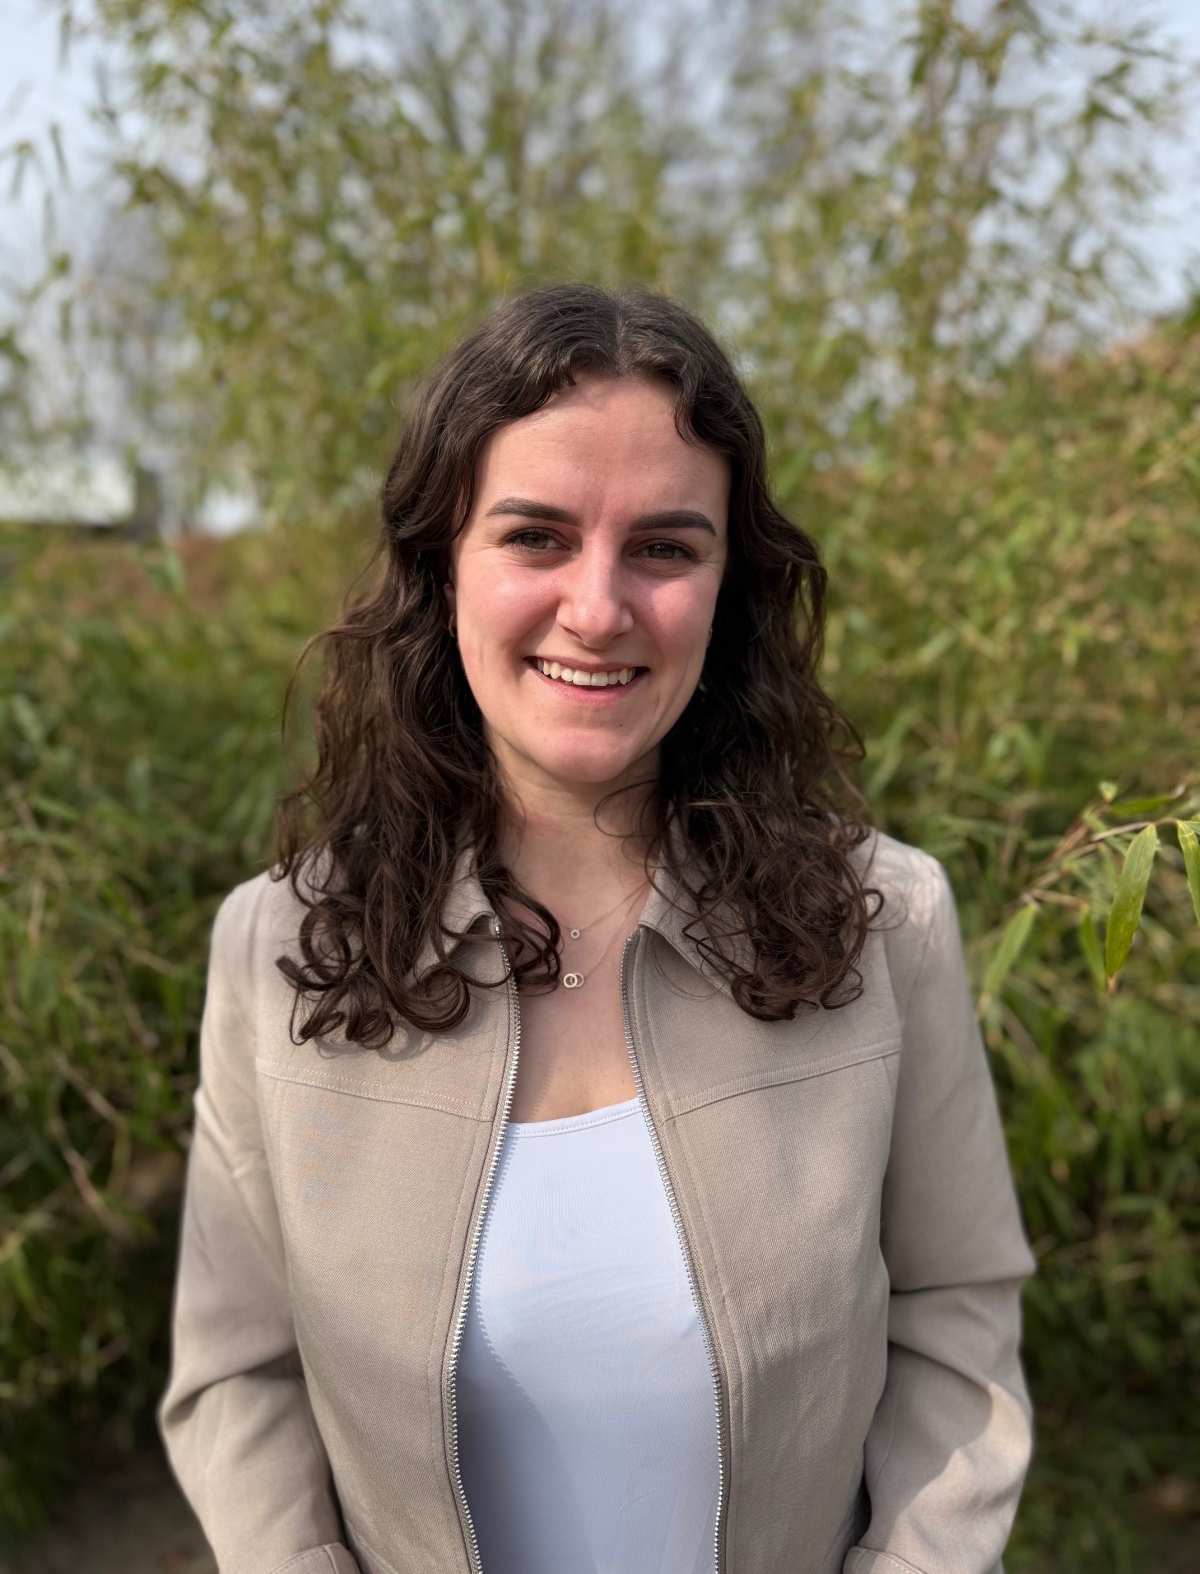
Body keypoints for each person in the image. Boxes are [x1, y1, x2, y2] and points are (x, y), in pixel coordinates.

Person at [158, 283, 1035, 1574]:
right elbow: (238, 1376)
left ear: (728, 587)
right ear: (441, 566)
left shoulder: (884, 926)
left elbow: (956, 1319)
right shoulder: (280, 952)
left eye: (665, 548)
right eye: (537, 536)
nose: (598, 606)